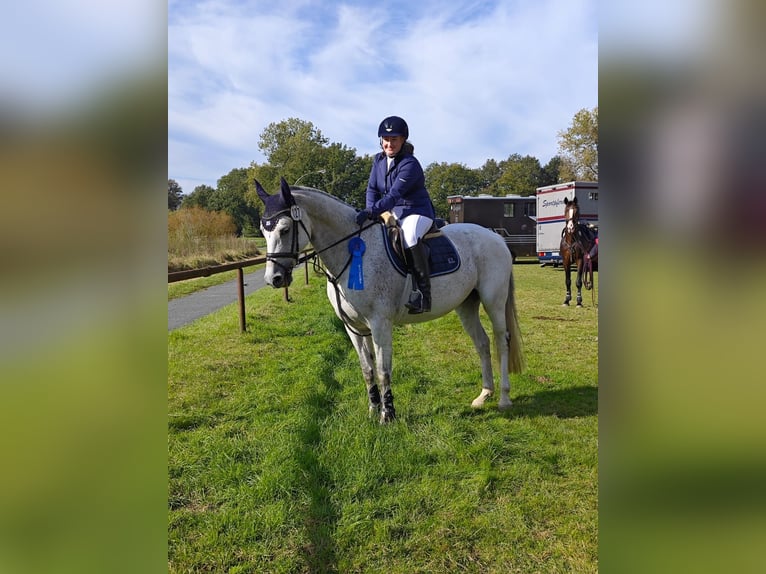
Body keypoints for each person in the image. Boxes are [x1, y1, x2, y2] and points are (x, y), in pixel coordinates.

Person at [355, 116, 436, 313]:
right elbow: (372, 189)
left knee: (408, 235)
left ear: (403, 141)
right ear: (381, 140)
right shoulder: (379, 160)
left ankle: (423, 295)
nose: (389, 144)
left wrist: (372, 211)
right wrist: (370, 211)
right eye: (386, 139)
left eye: (394, 139)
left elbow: (393, 195)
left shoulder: (410, 164)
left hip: (416, 211)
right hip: (392, 211)